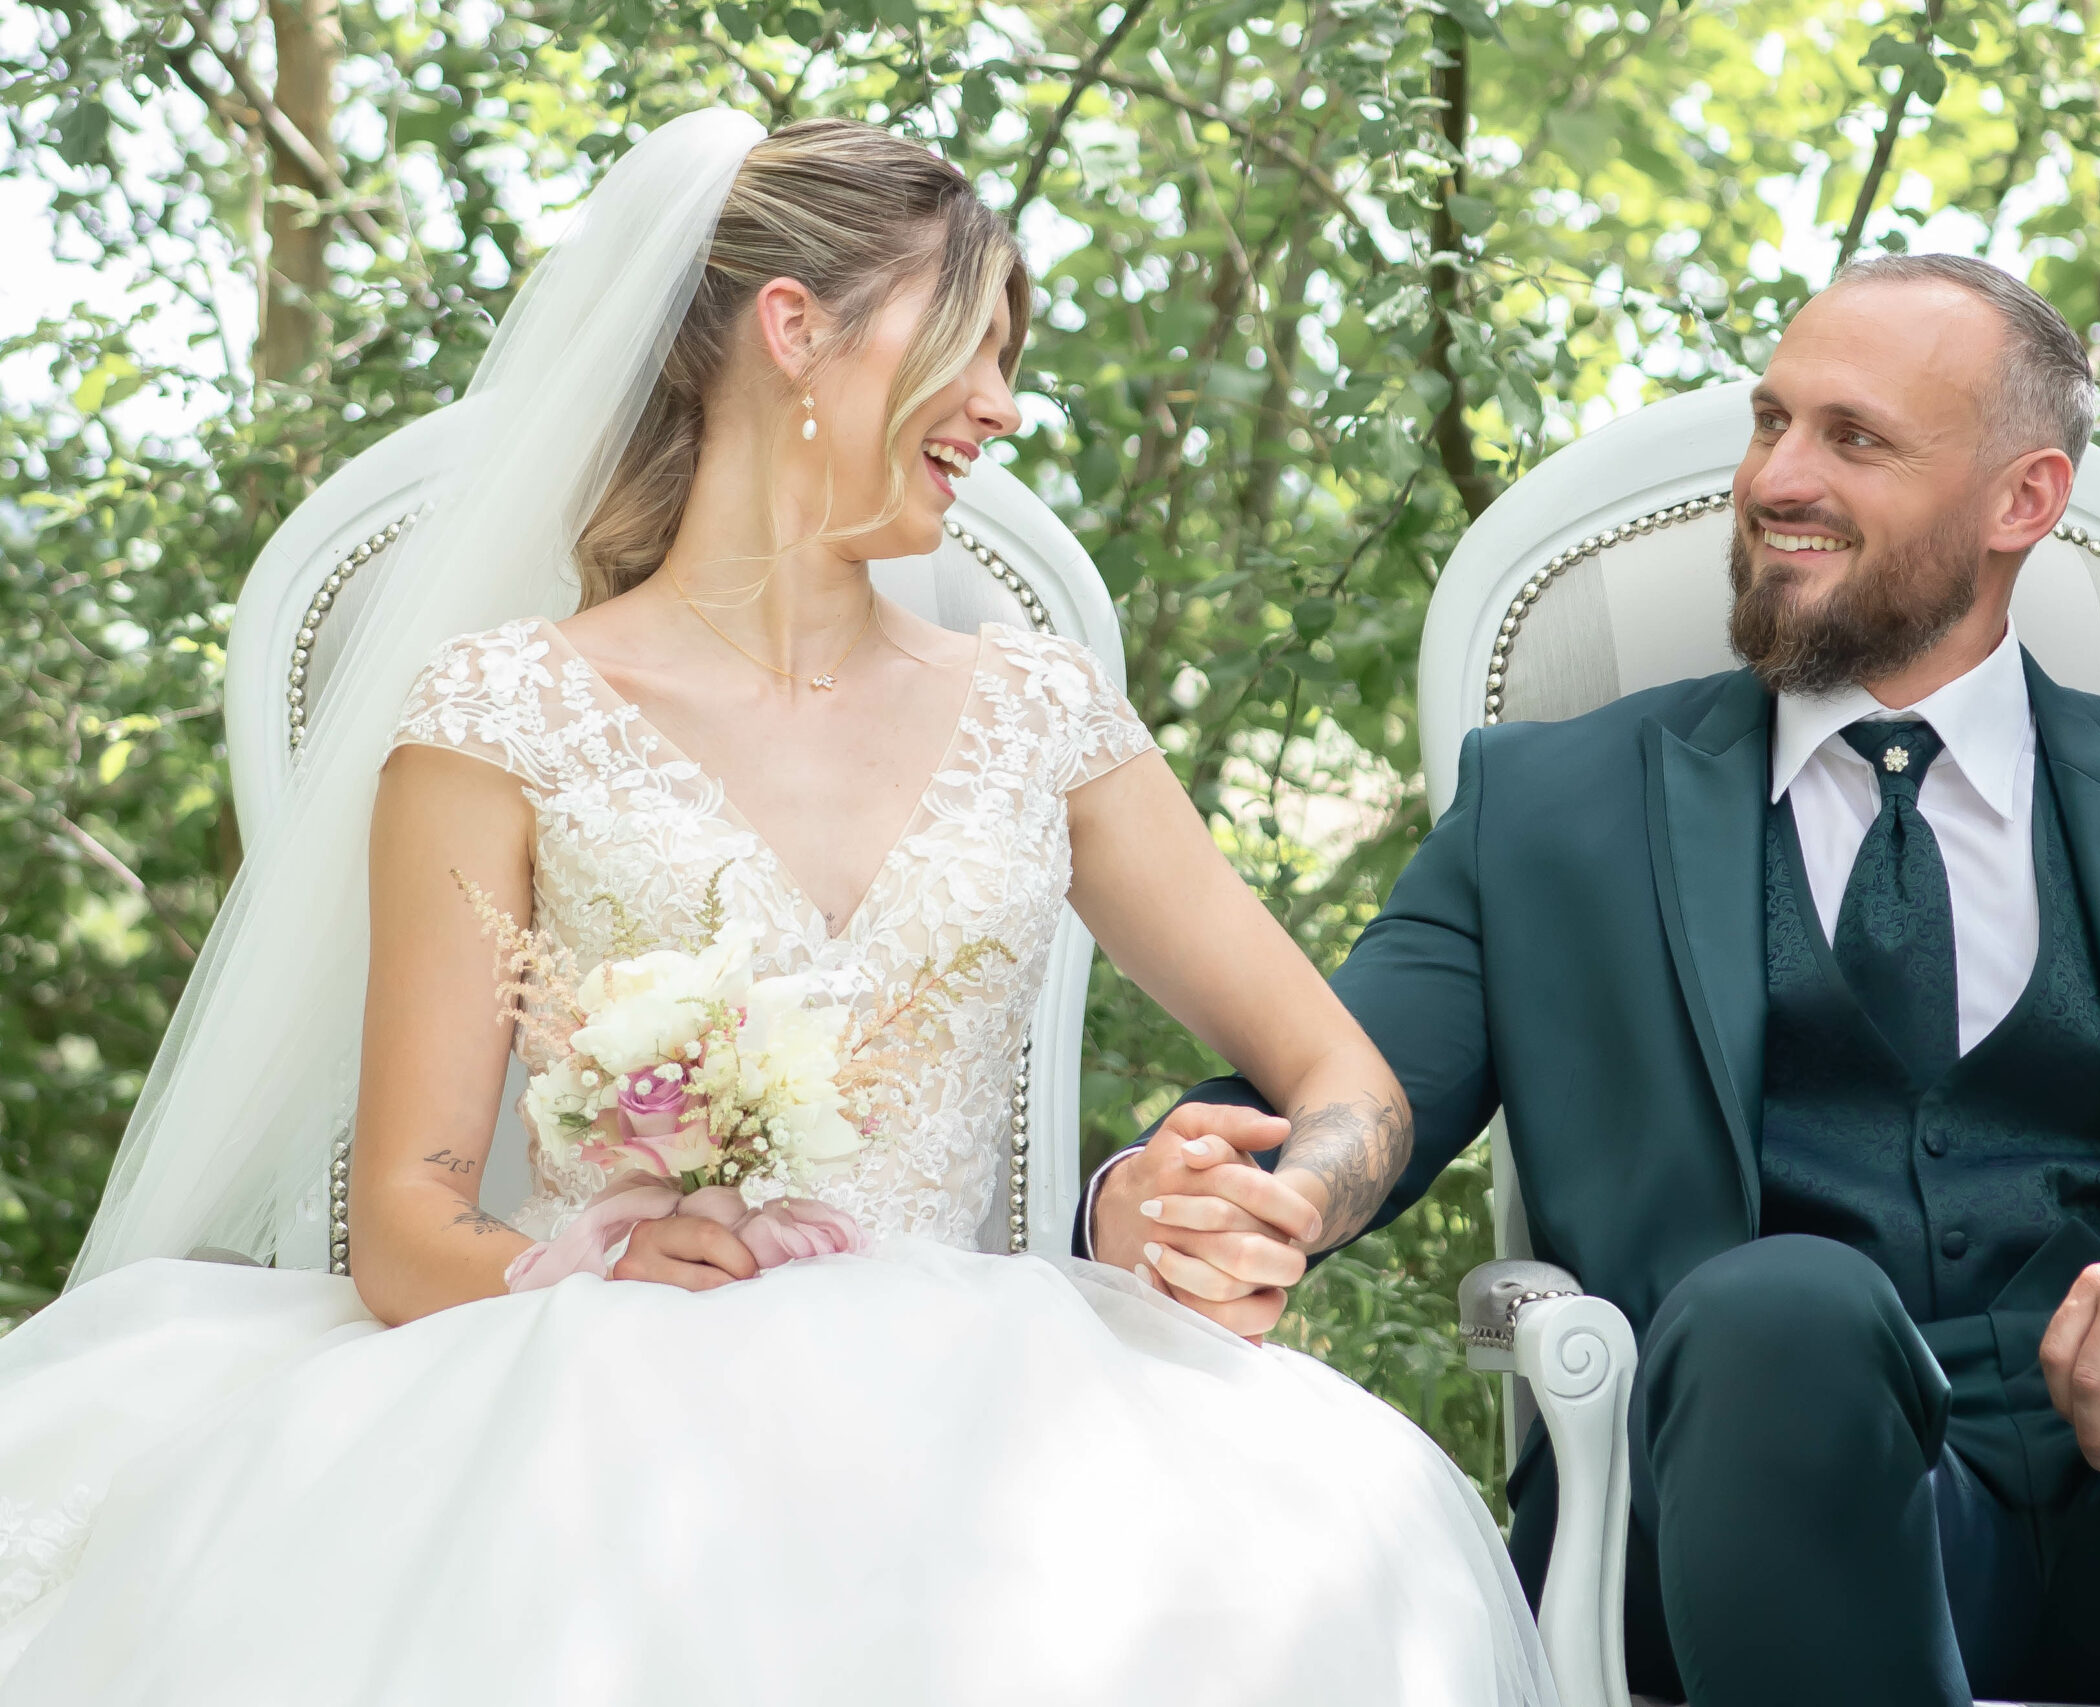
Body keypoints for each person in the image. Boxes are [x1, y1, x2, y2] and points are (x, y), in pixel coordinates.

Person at [0, 111, 1553, 1706]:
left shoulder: (1045, 717)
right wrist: (594, 1278)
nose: (1004, 407)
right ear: (796, 330)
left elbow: (1349, 1087)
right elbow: (407, 1216)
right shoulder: (501, 714)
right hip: (593, 1392)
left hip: (989, 1414)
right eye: (970, 344)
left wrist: (1281, 1207)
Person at [1088, 254, 2100, 1705]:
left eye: (1853, 438)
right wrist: (1181, 1189)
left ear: (2021, 500)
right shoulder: (1554, 809)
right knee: (1783, 1305)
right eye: (1770, 420)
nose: (1777, 477)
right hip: (1768, 1517)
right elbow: (1349, 1092)